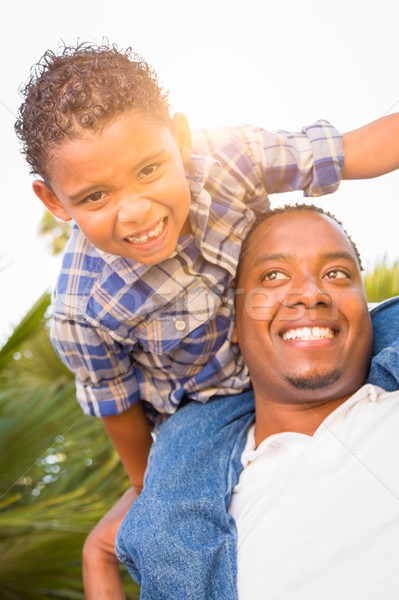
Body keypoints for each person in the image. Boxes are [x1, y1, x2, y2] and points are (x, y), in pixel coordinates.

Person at [14, 41, 399, 598]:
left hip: (300, 339)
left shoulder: (229, 161)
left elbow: (353, 148)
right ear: (53, 201)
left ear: (182, 138)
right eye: (96, 196)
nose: (137, 211)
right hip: (202, 412)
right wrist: (155, 486)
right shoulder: (82, 308)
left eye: (149, 169)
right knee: (169, 528)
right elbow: (116, 407)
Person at [115, 204, 399, 599]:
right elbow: (106, 547)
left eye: (336, 273)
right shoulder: (186, 513)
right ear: (233, 325)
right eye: (273, 275)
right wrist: (96, 559)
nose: (311, 294)